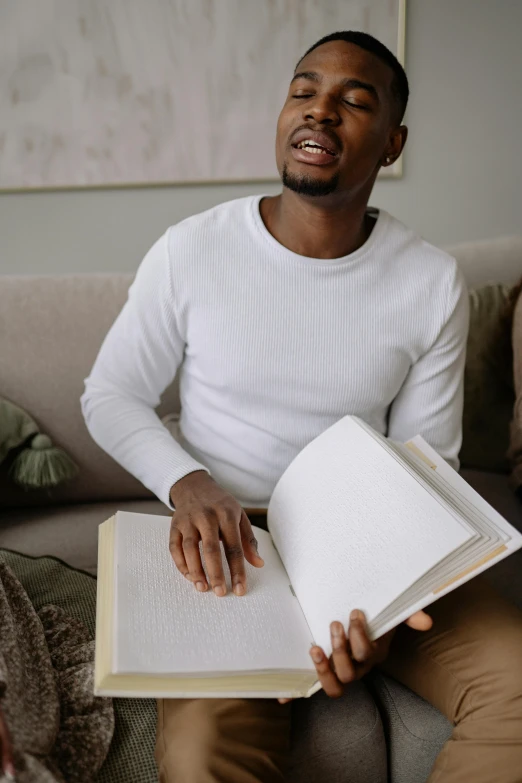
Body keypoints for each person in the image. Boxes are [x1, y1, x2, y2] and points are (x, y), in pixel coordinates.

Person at [82, 30, 522, 783]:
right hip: (229, 549)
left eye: (354, 101)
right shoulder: (193, 249)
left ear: (392, 143)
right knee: (201, 756)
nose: (320, 113)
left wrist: (383, 603)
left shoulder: (430, 280)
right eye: (303, 90)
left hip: (366, 544)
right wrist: (190, 484)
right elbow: (110, 393)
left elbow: (428, 463)